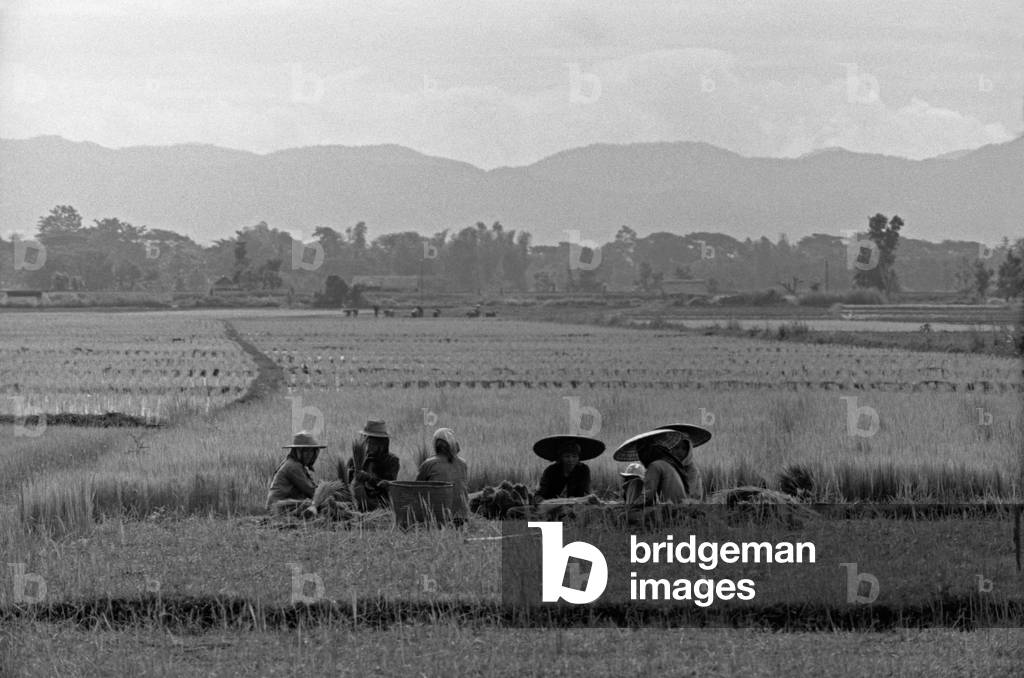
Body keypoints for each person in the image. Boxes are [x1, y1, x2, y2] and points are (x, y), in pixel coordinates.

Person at [416, 427, 469, 522]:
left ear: (436, 445)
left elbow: (416, 487)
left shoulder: (429, 463)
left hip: (437, 517)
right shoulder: (463, 463)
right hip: (462, 516)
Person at [266, 431, 325, 515]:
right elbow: (312, 492)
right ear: (297, 451)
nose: (309, 455)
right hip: (277, 509)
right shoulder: (293, 467)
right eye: (305, 451)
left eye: (311, 451)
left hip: (283, 506)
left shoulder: (297, 465)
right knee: (313, 505)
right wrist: (325, 492)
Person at [347, 419, 400, 510]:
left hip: (380, 504)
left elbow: (388, 485)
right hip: (356, 503)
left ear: (382, 444)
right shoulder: (355, 460)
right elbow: (346, 483)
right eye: (367, 441)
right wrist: (352, 475)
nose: (368, 446)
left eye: (373, 443)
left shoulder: (391, 461)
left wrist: (369, 478)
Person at [533, 435, 605, 500]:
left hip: (576, 504)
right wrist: (539, 498)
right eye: (567, 456)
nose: (571, 460)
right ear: (561, 457)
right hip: (551, 504)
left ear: (578, 458)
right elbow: (542, 490)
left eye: (574, 456)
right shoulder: (551, 470)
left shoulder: (583, 470)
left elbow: (585, 491)